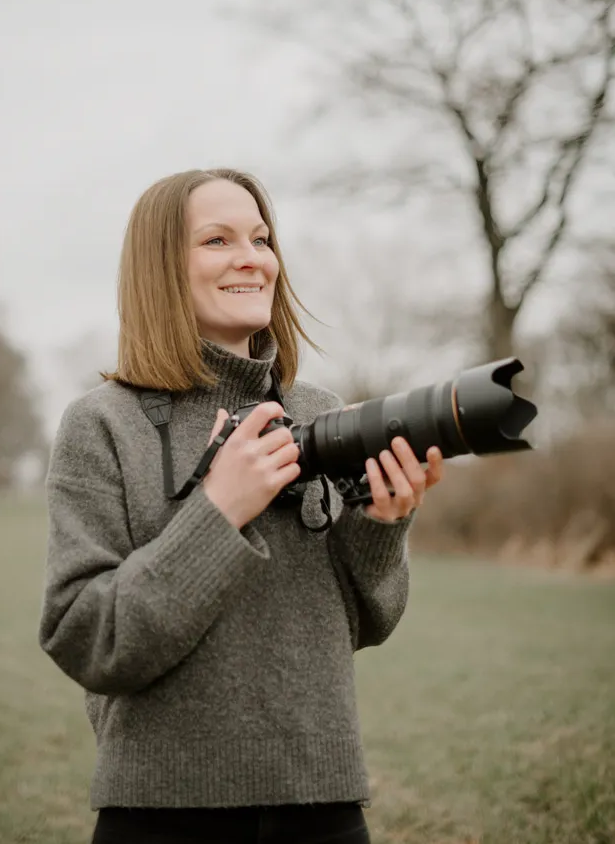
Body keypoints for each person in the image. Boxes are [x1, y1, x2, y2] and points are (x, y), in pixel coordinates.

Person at [38, 168, 444, 844]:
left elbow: (364, 623)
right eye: (217, 240)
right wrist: (218, 510)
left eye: (260, 238)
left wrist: (381, 526)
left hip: (323, 802)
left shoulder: (319, 414)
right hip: (160, 812)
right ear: (159, 266)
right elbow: (87, 638)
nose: (252, 258)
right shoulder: (101, 425)